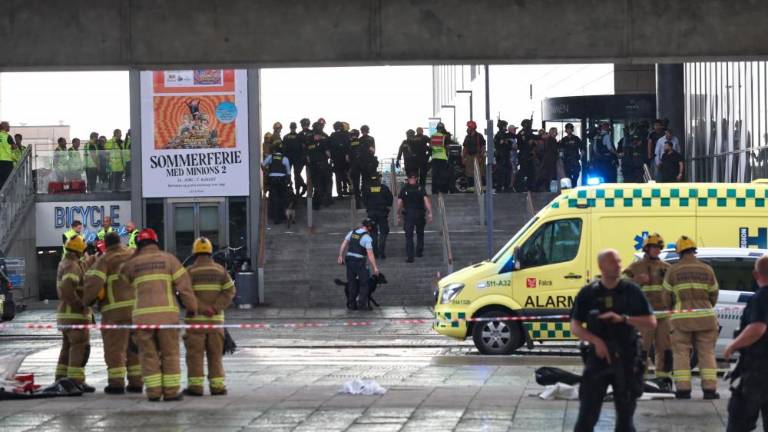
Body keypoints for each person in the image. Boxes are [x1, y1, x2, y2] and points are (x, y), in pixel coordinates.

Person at [571, 249, 657, 432]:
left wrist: (624, 319)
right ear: (601, 266)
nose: (618, 265)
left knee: (625, 421)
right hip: (598, 359)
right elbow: (575, 326)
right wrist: (596, 341)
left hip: (626, 358)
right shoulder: (589, 293)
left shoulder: (631, 291)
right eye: (612, 262)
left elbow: (651, 322)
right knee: (586, 417)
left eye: (619, 261)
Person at [119, 228, 197, 401]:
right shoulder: (169, 259)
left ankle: (153, 392)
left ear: (139, 245)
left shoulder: (133, 263)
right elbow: (184, 287)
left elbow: (122, 275)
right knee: (170, 354)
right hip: (167, 317)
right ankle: (171, 392)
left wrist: (135, 255)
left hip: (142, 318)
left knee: (148, 355)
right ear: (156, 242)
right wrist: (191, 308)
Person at [82, 232, 142, 394]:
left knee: (115, 348)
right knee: (134, 347)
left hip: (114, 311)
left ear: (106, 245)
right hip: (137, 310)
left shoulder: (105, 260)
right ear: (120, 242)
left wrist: (86, 301)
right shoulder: (133, 254)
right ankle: (136, 382)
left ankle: (116, 383)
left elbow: (94, 284)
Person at [663, 235, 720, 399]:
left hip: (681, 319)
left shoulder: (672, 270)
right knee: (707, 353)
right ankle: (709, 390)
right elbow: (714, 293)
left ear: (679, 252)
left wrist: (672, 309)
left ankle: (683, 390)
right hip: (706, 318)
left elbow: (666, 296)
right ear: (694, 250)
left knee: (681, 353)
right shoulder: (707, 269)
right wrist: (705, 305)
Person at [183, 237, 236, 396]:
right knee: (215, 356)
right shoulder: (220, 271)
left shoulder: (190, 271)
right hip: (216, 323)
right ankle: (218, 387)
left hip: (195, 323)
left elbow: (186, 293)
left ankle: (196, 387)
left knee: (195, 356)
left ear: (194, 252)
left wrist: (202, 308)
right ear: (210, 252)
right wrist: (215, 308)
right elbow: (230, 291)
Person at [622, 233, 673, 390]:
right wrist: (636, 280)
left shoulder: (667, 267)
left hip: (663, 316)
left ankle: (663, 381)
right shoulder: (635, 267)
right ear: (646, 248)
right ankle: (639, 380)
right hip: (644, 316)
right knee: (642, 349)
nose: (656, 250)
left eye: (658, 247)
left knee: (664, 349)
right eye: (653, 247)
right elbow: (620, 284)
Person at [724, 255, 768, 431]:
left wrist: (733, 345)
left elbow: (757, 328)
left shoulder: (762, 297)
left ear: (756, 274)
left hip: (759, 371)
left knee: (739, 420)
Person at [55, 235, 96, 392]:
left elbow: (84, 265)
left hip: (66, 316)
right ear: (79, 250)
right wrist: (80, 305)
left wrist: (94, 257)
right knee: (79, 348)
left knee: (67, 348)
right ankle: (75, 381)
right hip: (75, 315)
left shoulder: (66, 263)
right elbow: (67, 288)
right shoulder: (72, 266)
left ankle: (60, 380)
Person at [337, 219, 380, 310]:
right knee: (364, 283)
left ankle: (352, 304)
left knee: (352, 283)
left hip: (349, 261)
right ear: (369, 227)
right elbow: (370, 254)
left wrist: (340, 255)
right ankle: (362, 304)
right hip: (359, 262)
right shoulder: (367, 238)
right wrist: (375, 267)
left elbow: (344, 244)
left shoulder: (352, 232)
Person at [397, 173, 433, 263]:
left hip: (409, 214)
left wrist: (398, 214)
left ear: (408, 179)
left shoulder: (404, 188)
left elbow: (399, 202)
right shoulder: (420, 188)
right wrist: (430, 212)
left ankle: (410, 257)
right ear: (416, 179)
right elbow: (426, 200)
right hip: (419, 214)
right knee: (420, 233)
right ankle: (419, 252)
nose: (412, 179)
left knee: (409, 236)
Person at [362, 172, 393, 259]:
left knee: (373, 233)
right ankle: (381, 251)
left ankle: (375, 253)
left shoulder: (367, 188)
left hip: (371, 214)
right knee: (384, 232)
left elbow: (364, 201)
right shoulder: (384, 188)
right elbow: (390, 201)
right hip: (382, 213)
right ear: (379, 179)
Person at [262, 146, 291, 224]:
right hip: (282, 180)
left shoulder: (271, 157)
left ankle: (275, 218)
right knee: (283, 198)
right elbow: (288, 171)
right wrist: (289, 180)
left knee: (274, 199)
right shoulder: (285, 158)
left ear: (274, 151)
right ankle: (283, 216)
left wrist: (267, 173)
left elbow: (263, 164)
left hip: (272, 180)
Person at [307, 122, 332, 210]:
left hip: (313, 166)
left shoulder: (309, 141)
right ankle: (326, 200)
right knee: (326, 182)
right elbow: (328, 154)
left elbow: (307, 156)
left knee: (317, 185)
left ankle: (316, 204)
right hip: (323, 165)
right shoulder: (323, 141)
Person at [462, 121, 485, 192]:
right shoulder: (467, 137)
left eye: (468, 127)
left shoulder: (479, 136)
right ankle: (471, 188)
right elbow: (465, 148)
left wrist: (481, 157)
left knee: (480, 172)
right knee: (469, 173)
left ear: (472, 128)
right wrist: (463, 158)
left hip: (477, 156)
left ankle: (482, 188)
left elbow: (483, 147)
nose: (467, 129)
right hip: (469, 156)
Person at [559, 123, 584, 188]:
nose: (569, 130)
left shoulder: (576, 138)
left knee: (576, 173)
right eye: (568, 129)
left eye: (570, 128)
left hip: (575, 159)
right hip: (567, 160)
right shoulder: (564, 139)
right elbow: (561, 150)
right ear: (566, 130)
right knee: (568, 175)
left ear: (572, 129)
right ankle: (571, 186)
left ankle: (574, 184)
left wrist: (581, 156)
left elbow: (582, 148)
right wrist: (561, 159)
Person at [329, 121, 351, 198]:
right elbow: (348, 145)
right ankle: (346, 190)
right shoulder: (346, 134)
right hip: (344, 158)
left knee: (338, 177)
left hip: (336, 159)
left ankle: (340, 193)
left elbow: (330, 147)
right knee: (346, 175)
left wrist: (331, 158)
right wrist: (347, 155)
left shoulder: (332, 135)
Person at [430, 122, 452, 195]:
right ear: (442, 129)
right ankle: (443, 190)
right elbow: (448, 146)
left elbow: (430, 147)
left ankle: (434, 191)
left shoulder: (432, 136)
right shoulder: (444, 137)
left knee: (435, 175)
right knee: (443, 175)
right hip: (442, 158)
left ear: (437, 129)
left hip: (434, 158)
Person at [292, 119, 312, 197]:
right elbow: (296, 146)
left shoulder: (312, 133)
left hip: (310, 156)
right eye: (303, 124)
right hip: (300, 157)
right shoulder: (299, 134)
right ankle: (301, 187)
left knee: (310, 176)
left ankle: (310, 192)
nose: (305, 126)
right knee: (297, 174)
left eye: (306, 124)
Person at [515, 119, 536, 192]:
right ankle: (520, 187)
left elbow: (533, 141)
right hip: (524, 154)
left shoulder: (527, 132)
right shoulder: (522, 133)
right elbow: (525, 143)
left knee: (531, 171)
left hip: (528, 154)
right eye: (529, 124)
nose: (530, 125)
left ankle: (529, 186)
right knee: (523, 171)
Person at [493, 120, 512, 193]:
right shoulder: (499, 135)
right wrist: (505, 142)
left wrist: (506, 142)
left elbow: (509, 145)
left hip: (505, 156)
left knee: (507, 172)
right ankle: (500, 187)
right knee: (501, 172)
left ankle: (504, 187)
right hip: (501, 156)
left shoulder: (503, 135)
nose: (505, 127)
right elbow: (498, 145)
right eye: (505, 126)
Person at [0, 121, 14, 189]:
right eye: (8, 126)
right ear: (4, 127)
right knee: (7, 180)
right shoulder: (7, 136)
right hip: (6, 161)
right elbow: (14, 147)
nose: (9, 127)